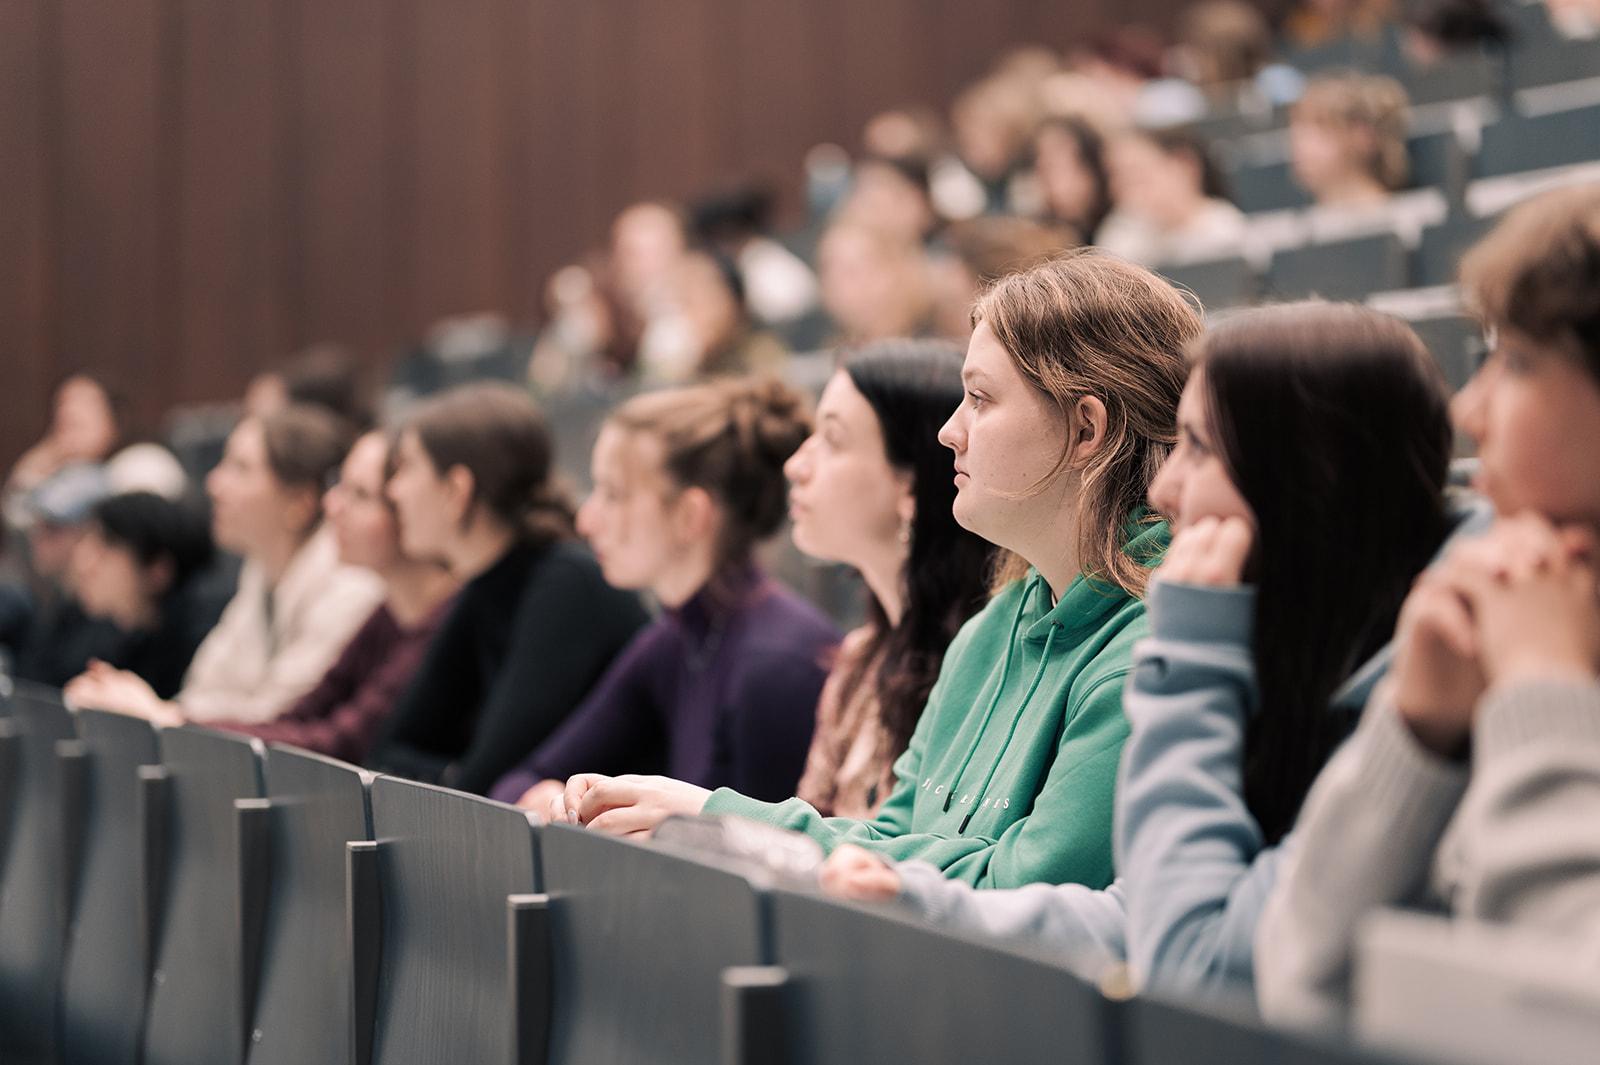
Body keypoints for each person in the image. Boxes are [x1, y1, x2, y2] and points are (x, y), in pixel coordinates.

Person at [821, 303, 1471, 997]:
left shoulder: (1409, 682)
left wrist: (1189, 662)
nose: (1165, 489)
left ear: (1304, 475)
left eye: (1199, 446)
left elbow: (1194, 958)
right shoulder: (1005, 625)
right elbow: (1141, 911)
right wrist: (922, 901)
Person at [546, 250, 1200, 892]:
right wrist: (714, 822)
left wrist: (722, 819)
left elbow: (1023, 885)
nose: (951, 430)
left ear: (1087, 429)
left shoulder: (1157, 647)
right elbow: (886, 835)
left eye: (980, 399)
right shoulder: (995, 624)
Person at [1256, 183, 1600, 1026]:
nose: (1466, 409)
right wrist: (1414, 740)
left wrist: (1543, 695)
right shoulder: (1521, 617)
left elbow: (1559, 1023)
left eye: (1516, 363)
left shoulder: (1539, 666)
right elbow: (1304, 987)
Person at [489, 377, 837, 809]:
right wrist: (553, 800)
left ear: (690, 515)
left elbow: (766, 862)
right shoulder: (675, 641)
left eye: (614, 495)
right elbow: (521, 781)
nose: (586, 520)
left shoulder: (776, 666)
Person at [367, 383, 648, 794]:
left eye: (406, 468)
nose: (393, 491)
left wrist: (447, 775)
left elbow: (487, 783)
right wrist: (450, 775)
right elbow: (389, 750)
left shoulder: (567, 587)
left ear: (456, 490)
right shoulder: (483, 586)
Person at [66, 405, 384, 724]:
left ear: (299, 503)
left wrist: (159, 713)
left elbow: (282, 716)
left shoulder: (350, 583)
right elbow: (205, 685)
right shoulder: (261, 569)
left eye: (241, 468)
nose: (214, 484)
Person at [788, 340, 994, 818]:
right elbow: (798, 840)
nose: (796, 465)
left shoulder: (981, 663)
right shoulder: (860, 661)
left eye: (833, 440)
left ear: (911, 484)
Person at [204, 431, 459, 762]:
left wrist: (177, 725)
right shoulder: (388, 612)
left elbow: (342, 744)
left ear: (407, 512)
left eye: (361, 495)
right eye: (340, 485)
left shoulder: (440, 622)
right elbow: (303, 713)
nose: (332, 505)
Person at [71, 491, 225, 699]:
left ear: (157, 570)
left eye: (106, 548)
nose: (84, 565)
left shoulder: (206, 642)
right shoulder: (123, 636)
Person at [1098, 128, 1248, 267]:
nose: (1124, 186)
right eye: (1116, 175)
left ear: (1184, 164)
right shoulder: (1122, 231)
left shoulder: (1223, 225)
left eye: (1137, 173)